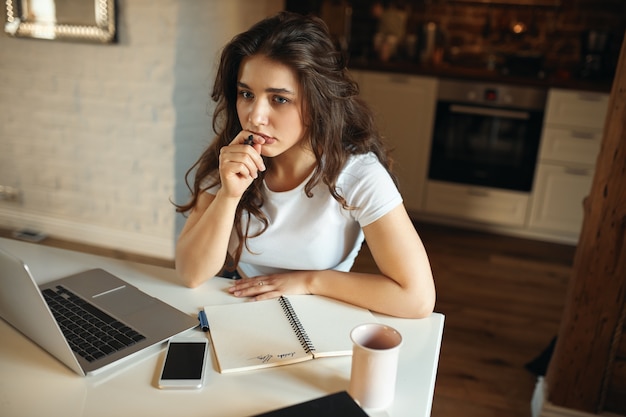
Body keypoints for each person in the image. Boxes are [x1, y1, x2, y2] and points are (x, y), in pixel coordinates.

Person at [174, 11, 435, 319]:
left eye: (279, 99)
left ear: (318, 101)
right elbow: (190, 275)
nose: (255, 116)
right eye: (247, 94)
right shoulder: (232, 158)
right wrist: (229, 195)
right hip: (238, 304)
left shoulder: (358, 175)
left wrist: (310, 281)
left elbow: (416, 298)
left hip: (320, 310)